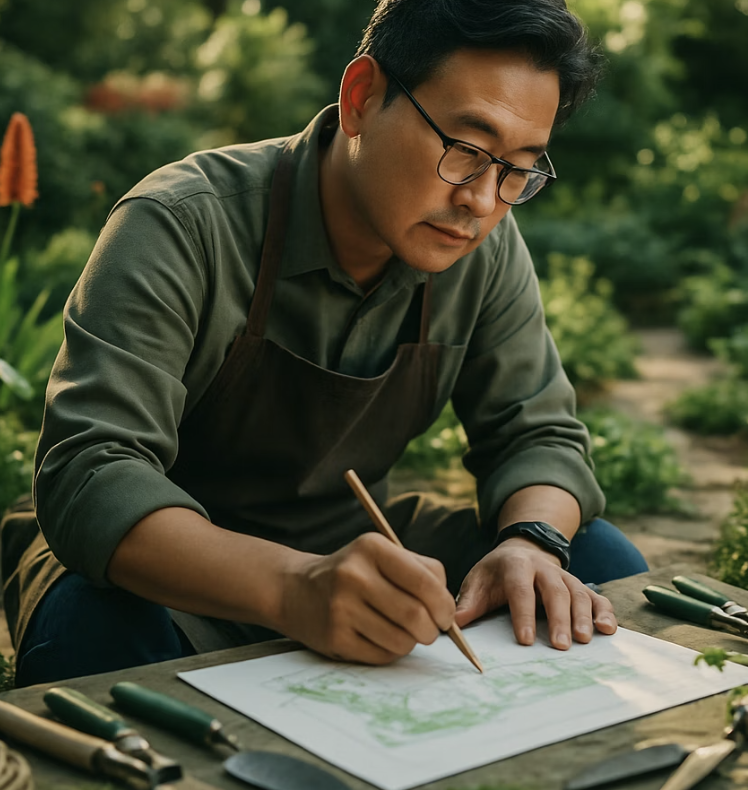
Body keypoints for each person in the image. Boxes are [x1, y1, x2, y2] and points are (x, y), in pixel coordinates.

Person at [2, 0, 648, 689]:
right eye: (464, 149)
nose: (484, 202)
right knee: (95, 633)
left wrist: (533, 543)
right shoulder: (182, 222)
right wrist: (293, 588)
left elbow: (537, 435)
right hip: (173, 567)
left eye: (517, 168)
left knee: (589, 561)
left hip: (351, 541)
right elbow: (92, 471)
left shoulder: (480, 252)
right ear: (362, 97)